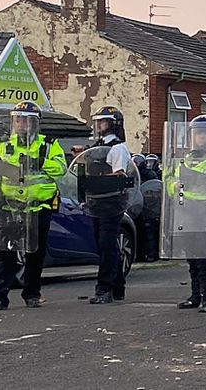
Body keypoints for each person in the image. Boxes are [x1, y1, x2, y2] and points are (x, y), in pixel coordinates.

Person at [0, 101, 67, 311]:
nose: (21, 124)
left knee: (35, 256)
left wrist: (40, 162)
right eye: (17, 119)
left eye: (25, 120)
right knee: (5, 255)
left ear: (34, 123)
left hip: (38, 208)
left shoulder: (48, 145)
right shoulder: (4, 146)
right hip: (10, 209)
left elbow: (60, 168)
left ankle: (32, 294)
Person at [165, 115, 206, 313]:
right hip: (185, 212)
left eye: (204, 134)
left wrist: (202, 182)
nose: (200, 138)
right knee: (191, 257)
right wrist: (173, 186)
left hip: (205, 213)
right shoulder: (184, 160)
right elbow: (170, 183)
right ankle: (195, 295)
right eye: (196, 134)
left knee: (203, 257)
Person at [86, 105, 134, 304]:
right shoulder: (97, 145)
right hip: (97, 201)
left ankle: (104, 288)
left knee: (107, 245)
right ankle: (117, 285)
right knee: (104, 245)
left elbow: (119, 174)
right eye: (97, 121)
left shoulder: (117, 148)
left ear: (113, 124)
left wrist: (98, 178)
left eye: (103, 121)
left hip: (112, 202)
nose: (99, 125)